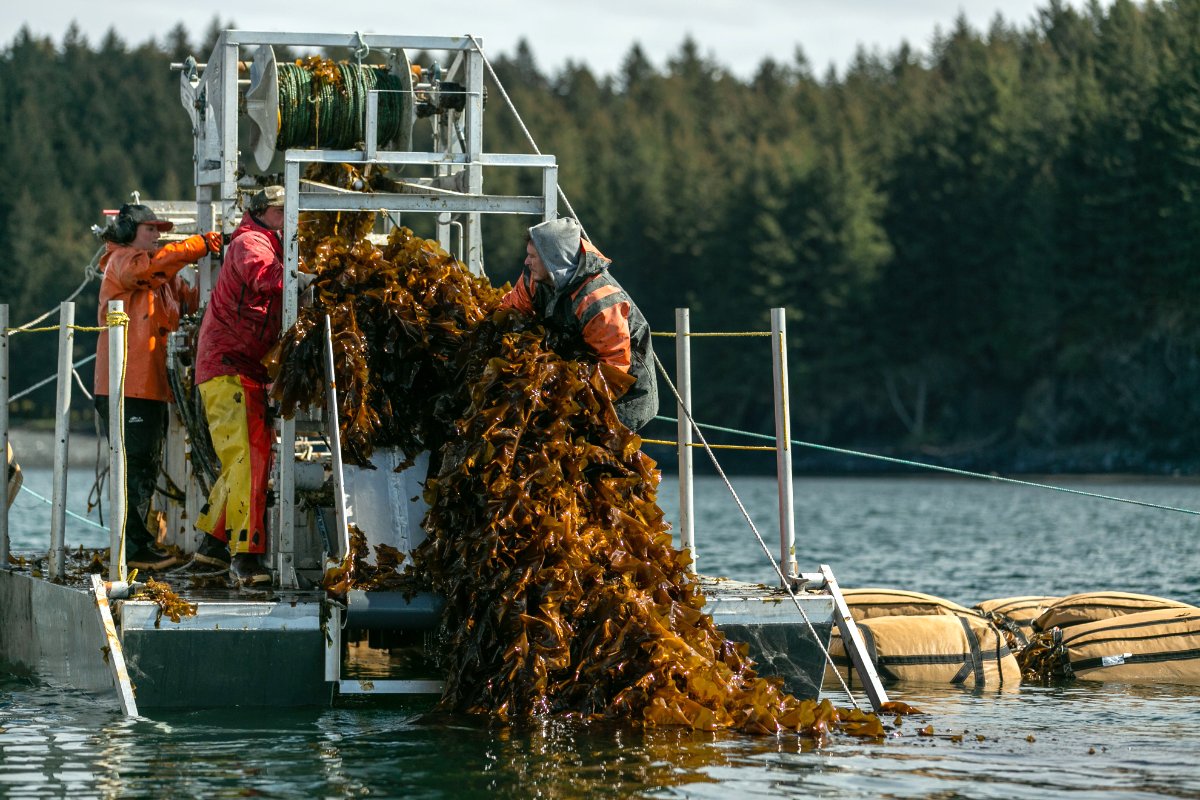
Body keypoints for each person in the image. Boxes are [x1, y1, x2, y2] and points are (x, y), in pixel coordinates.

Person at [93, 204, 221, 571]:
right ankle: (134, 548)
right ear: (129, 229)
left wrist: (217, 272)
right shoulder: (121, 261)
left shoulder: (163, 277)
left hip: (149, 386)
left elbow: (193, 301)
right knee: (134, 467)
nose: (157, 234)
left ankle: (137, 543)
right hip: (124, 385)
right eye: (150, 228)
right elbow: (148, 270)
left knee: (144, 466)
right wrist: (196, 247)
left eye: (159, 229)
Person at [191, 185, 288, 587]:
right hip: (230, 367)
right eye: (284, 210)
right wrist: (314, 276)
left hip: (239, 367)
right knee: (249, 460)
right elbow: (265, 278)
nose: (289, 217)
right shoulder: (251, 242)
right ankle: (245, 558)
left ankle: (211, 550)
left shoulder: (269, 241)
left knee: (242, 460)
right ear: (265, 211)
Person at [500, 217, 658, 432]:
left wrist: (569, 404)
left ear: (554, 259)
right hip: (574, 380)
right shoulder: (534, 280)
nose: (526, 262)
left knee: (600, 456)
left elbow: (614, 371)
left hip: (625, 397)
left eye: (532, 257)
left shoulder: (598, 301)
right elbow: (509, 312)